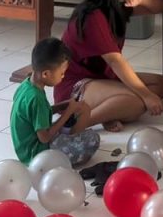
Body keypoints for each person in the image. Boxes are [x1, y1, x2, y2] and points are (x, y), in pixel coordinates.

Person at [54, 0, 163, 132]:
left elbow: (161, 6)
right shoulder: (92, 17)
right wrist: (146, 96)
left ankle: (110, 112)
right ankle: (75, 124)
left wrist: (141, 1)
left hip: (102, 78)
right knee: (137, 102)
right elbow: (116, 61)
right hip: (76, 85)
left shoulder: (116, 6)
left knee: (162, 84)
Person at [11, 37, 100, 167]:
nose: (63, 77)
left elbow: (37, 115)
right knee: (93, 139)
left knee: (83, 108)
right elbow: (45, 137)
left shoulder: (27, 85)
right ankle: (67, 149)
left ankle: (69, 139)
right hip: (37, 155)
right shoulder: (36, 98)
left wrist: (62, 106)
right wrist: (68, 112)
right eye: (62, 73)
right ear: (46, 74)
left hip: (27, 149)